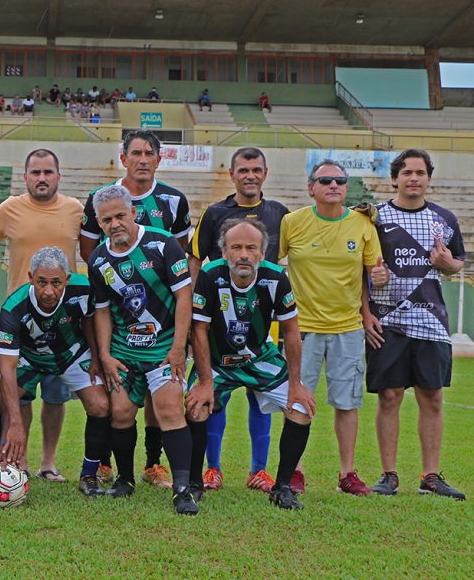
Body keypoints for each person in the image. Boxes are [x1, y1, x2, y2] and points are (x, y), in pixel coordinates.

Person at [80, 130, 192, 490]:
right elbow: (101, 310)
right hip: (125, 348)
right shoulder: (98, 260)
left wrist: (179, 347)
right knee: (121, 412)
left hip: (162, 345)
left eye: (120, 217)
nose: (115, 225)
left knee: (169, 409)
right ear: (99, 223)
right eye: (107, 221)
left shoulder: (163, 243)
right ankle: (124, 479)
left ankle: (180, 484)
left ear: (132, 212)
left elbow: (184, 295)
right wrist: (106, 355)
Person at [186, 218, 316, 509]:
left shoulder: (276, 278)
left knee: (300, 409)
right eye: (236, 247)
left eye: (250, 248)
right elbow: (200, 331)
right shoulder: (209, 275)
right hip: (218, 361)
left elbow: (292, 331)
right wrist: (205, 383)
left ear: (261, 253)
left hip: (259, 358)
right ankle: (194, 483)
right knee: (195, 406)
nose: (243, 254)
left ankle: (282, 487)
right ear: (224, 252)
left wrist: (296, 385)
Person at [280, 159, 389, 496]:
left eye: (340, 180)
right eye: (325, 180)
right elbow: (270, 267)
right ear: (311, 187)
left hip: (348, 329)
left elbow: (371, 275)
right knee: (297, 402)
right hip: (303, 330)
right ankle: (293, 472)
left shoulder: (362, 224)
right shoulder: (292, 222)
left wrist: (369, 304)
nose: (334, 185)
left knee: (347, 403)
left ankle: (347, 473)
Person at [363, 149, 466, 500]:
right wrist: (371, 277)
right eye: (406, 172)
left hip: (431, 321)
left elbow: (457, 266)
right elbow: (361, 266)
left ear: (428, 178)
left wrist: (446, 261)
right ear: (394, 178)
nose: (413, 178)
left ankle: (430, 476)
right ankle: (388, 475)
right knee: (390, 396)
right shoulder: (374, 219)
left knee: (432, 397)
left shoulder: (445, 220)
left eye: (420, 173)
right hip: (387, 320)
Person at [187, 147, 290, 493]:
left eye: (256, 169)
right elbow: (195, 262)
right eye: (243, 169)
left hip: (261, 327)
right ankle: (211, 469)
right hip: (216, 330)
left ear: (265, 173)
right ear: (231, 174)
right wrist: (192, 318)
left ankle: (258, 470)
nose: (250, 175)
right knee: (213, 398)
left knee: (260, 399)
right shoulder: (215, 213)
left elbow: (304, 245)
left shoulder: (279, 213)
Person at [0, 148, 84, 482]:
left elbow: (91, 252)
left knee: (56, 397)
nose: (41, 178)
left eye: (48, 172)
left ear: (58, 176)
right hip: (21, 320)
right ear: (25, 176)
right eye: (35, 172)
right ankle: (20, 459)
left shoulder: (75, 210)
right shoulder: (9, 209)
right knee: (21, 394)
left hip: (62, 321)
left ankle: (48, 462)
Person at [0, 247, 111, 497]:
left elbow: (88, 318)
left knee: (100, 405)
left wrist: (96, 357)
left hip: (70, 354)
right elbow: (8, 369)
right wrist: (15, 424)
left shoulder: (82, 288)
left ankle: (89, 474)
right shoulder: (13, 308)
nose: (48, 291)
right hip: (30, 357)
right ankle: (0, 462)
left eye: (56, 283)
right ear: (31, 277)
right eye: (41, 282)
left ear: (66, 279)